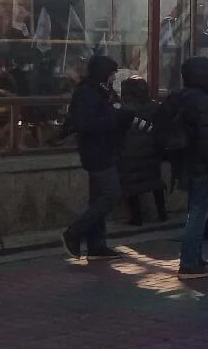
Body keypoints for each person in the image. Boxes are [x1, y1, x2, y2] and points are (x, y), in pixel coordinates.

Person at [61, 56, 141, 260]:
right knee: (110, 195)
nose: (114, 77)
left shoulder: (103, 91)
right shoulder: (87, 93)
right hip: (96, 151)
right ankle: (74, 232)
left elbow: (113, 114)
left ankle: (96, 245)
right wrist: (115, 118)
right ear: (103, 73)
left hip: (107, 148)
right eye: (112, 73)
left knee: (98, 198)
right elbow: (85, 124)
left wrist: (123, 117)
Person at [166, 57, 208, 277]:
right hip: (201, 164)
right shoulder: (204, 102)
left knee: (196, 210)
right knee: (199, 213)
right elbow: (207, 141)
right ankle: (189, 262)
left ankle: (195, 256)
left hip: (183, 161)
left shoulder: (178, 97)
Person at [116, 76, 166, 225]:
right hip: (151, 151)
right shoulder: (154, 106)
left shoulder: (125, 110)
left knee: (131, 185)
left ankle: (136, 217)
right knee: (155, 181)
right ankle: (162, 213)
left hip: (130, 152)